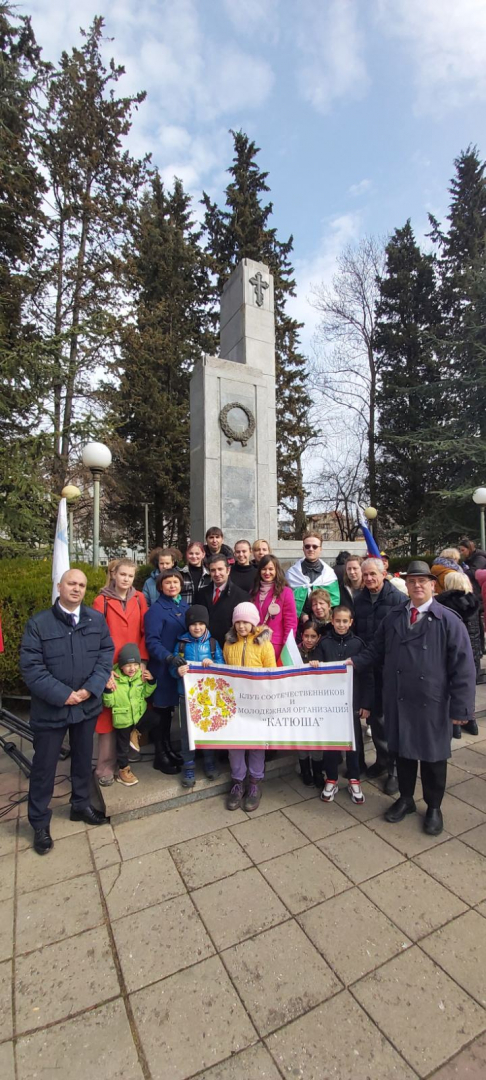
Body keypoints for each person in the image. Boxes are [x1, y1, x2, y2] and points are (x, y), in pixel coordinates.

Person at [351, 560, 476, 836]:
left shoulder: (448, 620)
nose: (417, 585)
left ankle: (433, 807)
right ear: (405, 585)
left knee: (433, 759)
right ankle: (406, 799)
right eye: (412, 581)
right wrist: (350, 663)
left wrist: (462, 708)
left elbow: (464, 667)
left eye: (423, 581)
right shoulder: (394, 616)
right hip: (399, 700)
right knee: (403, 754)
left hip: (432, 702)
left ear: (433, 585)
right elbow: (375, 650)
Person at [19, 569, 114, 855]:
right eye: (71, 583)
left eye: (82, 585)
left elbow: (105, 654)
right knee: (44, 768)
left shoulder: (95, 619)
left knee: (84, 761)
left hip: (86, 706)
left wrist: (90, 689)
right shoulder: (39, 624)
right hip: (52, 710)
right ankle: (38, 821)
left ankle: (81, 805)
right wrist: (64, 695)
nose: (76, 589)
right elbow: (31, 668)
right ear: (59, 586)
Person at [353, 557, 408, 796]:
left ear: (383, 573)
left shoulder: (398, 600)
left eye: (373, 574)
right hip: (369, 668)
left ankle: (395, 770)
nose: (369, 579)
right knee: (375, 719)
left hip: (390, 668)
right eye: (365, 575)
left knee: (391, 721)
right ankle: (382, 761)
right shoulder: (359, 600)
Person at [92, 558, 149, 786]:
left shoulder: (139, 598)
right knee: (108, 716)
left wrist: (143, 660)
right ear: (114, 574)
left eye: (130, 576)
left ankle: (125, 761)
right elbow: (96, 637)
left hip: (134, 666)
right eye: (122, 574)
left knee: (133, 710)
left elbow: (146, 630)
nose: (126, 579)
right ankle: (104, 766)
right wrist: (104, 669)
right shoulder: (101, 601)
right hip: (112, 666)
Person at [223, 602, 276, 811]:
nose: (242, 626)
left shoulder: (264, 644)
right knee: (235, 743)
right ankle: (237, 781)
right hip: (235, 701)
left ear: (253, 623)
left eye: (245, 622)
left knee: (256, 743)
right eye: (238, 622)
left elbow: (271, 673)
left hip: (257, 701)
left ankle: (255, 782)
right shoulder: (229, 643)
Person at [320, 606, 371, 805]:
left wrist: (366, 703)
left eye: (345, 621)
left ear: (351, 622)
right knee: (331, 743)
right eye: (337, 621)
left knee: (353, 742)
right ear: (332, 621)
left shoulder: (358, 644)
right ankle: (331, 778)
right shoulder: (324, 644)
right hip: (330, 705)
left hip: (352, 703)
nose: (341, 625)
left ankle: (354, 778)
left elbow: (367, 674)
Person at [170, 605, 224, 788]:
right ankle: (189, 765)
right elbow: (172, 668)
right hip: (185, 695)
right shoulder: (181, 644)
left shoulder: (213, 644)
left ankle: (209, 762)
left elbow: (222, 666)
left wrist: (213, 663)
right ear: (188, 625)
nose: (197, 627)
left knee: (207, 730)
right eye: (193, 624)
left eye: (201, 623)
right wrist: (177, 670)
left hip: (207, 698)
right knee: (187, 732)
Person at [144, 568, 189, 774]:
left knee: (170, 713)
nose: (172, 585)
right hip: (163, 668)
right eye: (168, 582)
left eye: (175, 582)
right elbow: (151, 641)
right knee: (161, 714)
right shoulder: (155, 610)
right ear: (160, 586)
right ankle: (160, 755)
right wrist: (168, 657)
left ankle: (169, 749)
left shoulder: (184, 605)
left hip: (178, 669)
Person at [102, 643, 156, 786]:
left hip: (138, 715)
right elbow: (108, 703)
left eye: (135, 664)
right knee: (122, 747)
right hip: (123, 719)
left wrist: (152, 681)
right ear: (121, 666)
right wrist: (107, 691)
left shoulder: (139, 676)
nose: (132, 668)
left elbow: (145, 693)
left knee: (155, 718)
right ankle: (123, 770)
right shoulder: (115, 679)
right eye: (128, 665)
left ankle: (136, 732)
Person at [436, 572, 481, 736]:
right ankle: (471, 721)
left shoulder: (445, 603)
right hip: (473, 651)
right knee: (467, 688)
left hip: (453, 653)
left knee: (451, 688)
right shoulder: (473, 601)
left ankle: (455, 727)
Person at [251, 554, 297, 661]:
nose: (267, 573)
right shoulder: (253, 592)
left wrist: (287, 647)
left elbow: (290, 623)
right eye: (264, 569)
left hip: (276, 647)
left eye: (271, 569)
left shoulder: (285, 592)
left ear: (277, 570)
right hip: (255, 645)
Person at [297, 623, 326, 788]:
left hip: (316, 704)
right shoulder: (294, 652)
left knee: (316, 739)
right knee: (302, 738)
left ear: (319, 638)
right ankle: (305, 770)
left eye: (313, 636)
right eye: (306, 636)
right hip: (299, 703)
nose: (309, 640)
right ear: (302, 635)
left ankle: (317, 771)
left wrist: (319, 666)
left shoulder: (321, 652)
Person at [286, 532, 340, 619]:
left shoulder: (329, 575)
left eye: (315, 546)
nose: (311, 549)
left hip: (323, 623)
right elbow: (287, 600)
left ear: (320, 549)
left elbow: (334, 601)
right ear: (303, 548)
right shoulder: (292, 574)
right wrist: (302, 614)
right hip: (299, 622)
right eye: (307, 546)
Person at [199, 555, 247, 647]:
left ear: (228, 570)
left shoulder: (241, 596)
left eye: (220, 569)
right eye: (213, 570)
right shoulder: (201, 593)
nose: (217, 574)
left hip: (229, 646)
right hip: (204, 647)